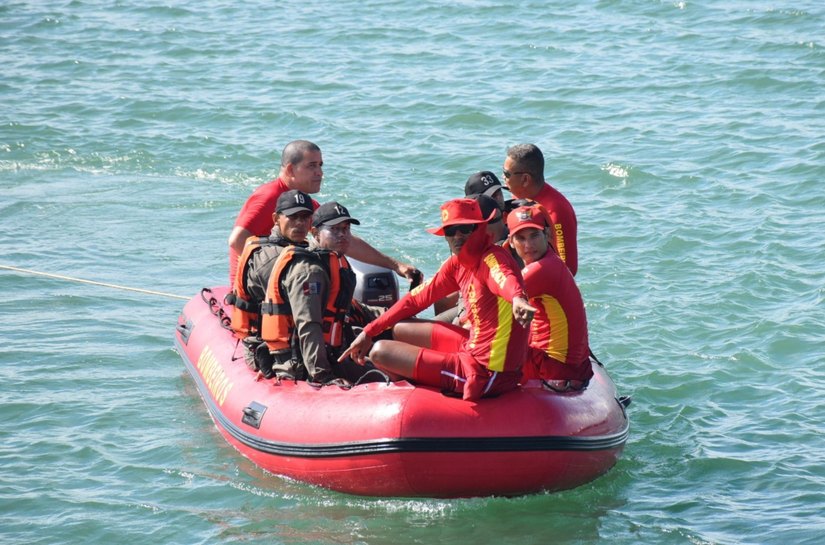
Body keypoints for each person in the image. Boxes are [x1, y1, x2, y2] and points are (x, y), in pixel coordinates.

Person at [340, 198, 536, 402]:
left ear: (479, 228)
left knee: (380, 352)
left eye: (464, 229)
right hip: (472, 346)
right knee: (399, 328)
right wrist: (369, 331)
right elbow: (414, 301)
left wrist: (518, 299)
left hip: (489, 372)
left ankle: (418, 394)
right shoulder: (456, 265)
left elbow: (503, 278)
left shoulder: (492, 259)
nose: (457, 237)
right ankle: (420, 375)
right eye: (451, 231)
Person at [227, 139, 419, 286]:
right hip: (257, 288)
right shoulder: (268, 196)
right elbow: (236, 241)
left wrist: (396, 266)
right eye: (312, 166)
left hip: (285, 283)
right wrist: (282, 269)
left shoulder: (306, 204)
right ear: (291, 169)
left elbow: (346, 241)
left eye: (320, 165)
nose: (320, 173)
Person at [506, 204, 593, 387]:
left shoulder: (541, 270)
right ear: (511, 242)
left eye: (534, 236)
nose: (529, 245)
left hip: (553, 368)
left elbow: (488, 305)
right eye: (521, 238)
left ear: (547, 234)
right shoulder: (552, 260)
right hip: (569, 365)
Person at [503, 143, 578, 276]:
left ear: (525, 179)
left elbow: (567, 267)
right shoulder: (518, 194)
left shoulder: (557, 210)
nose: (503, 178)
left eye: (507, 174)